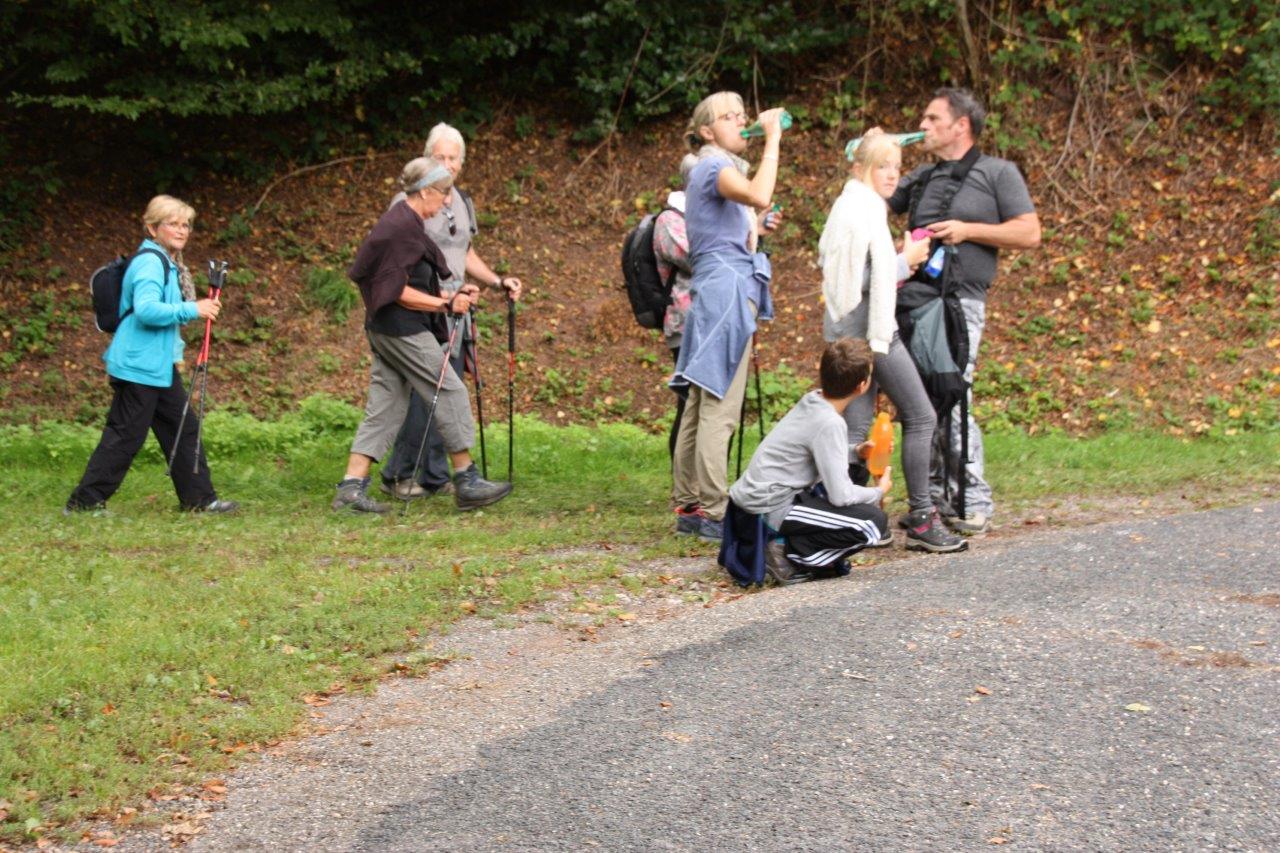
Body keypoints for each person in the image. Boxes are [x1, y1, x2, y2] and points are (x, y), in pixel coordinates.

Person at [881, 87, 1041, 534]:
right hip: (913, 299)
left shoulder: (997, 173)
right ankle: (933, 499)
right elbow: (876, 195)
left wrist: (967, 230)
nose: (924, 126)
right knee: (922, 399)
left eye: (933, 119)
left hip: (960, 301)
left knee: (954, 392)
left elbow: (1029, 233)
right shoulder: (922, 176)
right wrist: (876, 155)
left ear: (961, 125)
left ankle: (972, 499)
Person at [334, 157, 512, 513]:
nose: (448, 201)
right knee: (448, 386)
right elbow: (397, 291)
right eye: (444, 194)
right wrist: (445, 307)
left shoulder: (404, 223)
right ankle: (467, 479)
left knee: (385, 405)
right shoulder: (401, 227)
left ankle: (351, 489)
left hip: (386, 327)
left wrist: (450, 296)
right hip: (402, 329)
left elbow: (404, 283)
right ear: (426, 191)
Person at [819, 134, 966, 553]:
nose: (892, 175)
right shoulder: (859, 211)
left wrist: (897, 258)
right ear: (859, 166)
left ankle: (854, 520)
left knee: (857, 429)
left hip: (851, 335)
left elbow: (851, 273)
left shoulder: (852, 206)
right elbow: (858, 281)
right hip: (873, 337)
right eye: (883, 165)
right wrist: (906, 260)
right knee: (921, 416)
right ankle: (921, 518)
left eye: (897, 168)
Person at [66, 195, 238, 515]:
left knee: (182, 428)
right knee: (125, 436)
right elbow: (146, 310)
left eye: (185, 224)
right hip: (138, 366)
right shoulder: (150, 261)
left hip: (157, 367)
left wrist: (181, 333)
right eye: (173, 223)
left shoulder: (168, 262)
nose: (181, 230)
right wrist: (193, 308)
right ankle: (84, 503)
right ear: (152, 227)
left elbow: (163, 312)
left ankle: (199, 499)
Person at [379, 123, 522, 500]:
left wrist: (496, 281)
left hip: (457, 310)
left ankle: (437, 474)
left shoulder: (461, 201)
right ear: (426, 158)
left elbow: (465, 252)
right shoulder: (406, 202)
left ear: (462, 162)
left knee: (449, 390)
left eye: (452, 157)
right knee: (425, 392)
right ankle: (399, 473)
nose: (446, 163)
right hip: (423, 309)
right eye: (439, 156)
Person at [669, 92, 785, 542]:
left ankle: (690, 505)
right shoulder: (715, 167)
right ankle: (716, 511)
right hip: (728, 291)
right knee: (721, 404)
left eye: (742, 115)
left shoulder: (710, 170)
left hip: (714, 287)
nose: (741, 121)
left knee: (699, 403)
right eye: (728, 117)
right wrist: (772, 137)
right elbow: (759, 192)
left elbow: (729, 225)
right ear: (706, 131)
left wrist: (755, 227)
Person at [727, 338, 892, 584]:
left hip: (750, 504)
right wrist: (878, 492)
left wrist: (857, 451)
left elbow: (811, 448)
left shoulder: (814, 400)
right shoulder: (830, 422)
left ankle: (793, 547)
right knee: (873, 524)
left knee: (856, 471)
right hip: (769, 509)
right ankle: (786, 553)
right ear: (863, 385)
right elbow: (841, 497)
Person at [652, 153, 697, 458]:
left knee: (713, 410)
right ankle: (684, 489)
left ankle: (705, 487)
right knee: (690, 404)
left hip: (715, 320)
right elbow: (700, 258)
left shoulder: (704, 219)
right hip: (686, 323)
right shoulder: (670, 220)